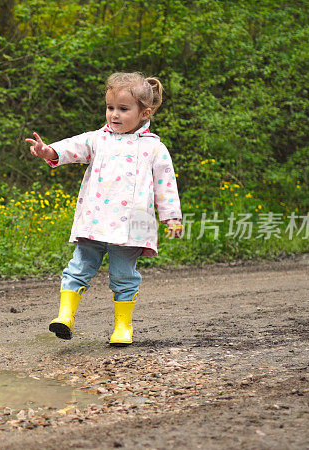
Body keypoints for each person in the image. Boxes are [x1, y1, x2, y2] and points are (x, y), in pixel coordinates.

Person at [25, 72, 183, 345]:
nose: (114, 115)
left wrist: (172, 218)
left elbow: (165, 185)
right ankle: (65, 316)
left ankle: (123, 326)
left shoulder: (154, 148)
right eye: (110, 108)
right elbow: (70, 149)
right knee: (79, 267)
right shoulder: (97, 139)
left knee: (123, 275)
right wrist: (47, 151)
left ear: (144, 113)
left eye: (123, 109)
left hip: (131, 227)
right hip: (94, 220)